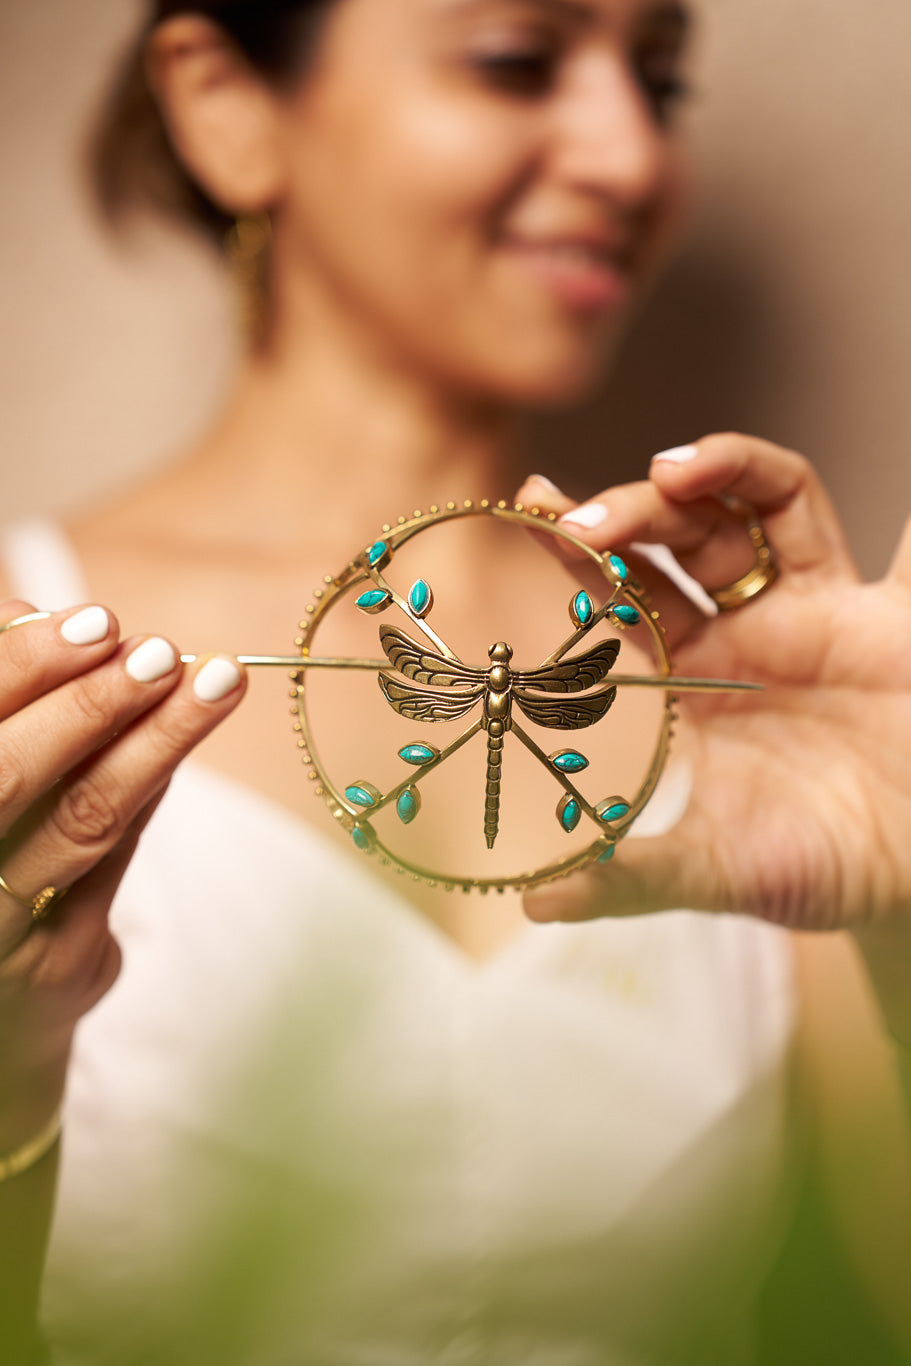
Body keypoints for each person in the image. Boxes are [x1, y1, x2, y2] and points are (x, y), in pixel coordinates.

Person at [1, 0, 909, 1361]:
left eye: (660, 84)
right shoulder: (24, 669)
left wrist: (905, 917)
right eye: (516, 60)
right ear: (224, 103)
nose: (628, 155)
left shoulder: (749, 699)